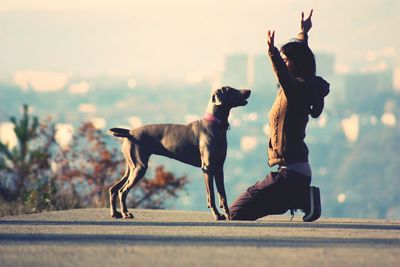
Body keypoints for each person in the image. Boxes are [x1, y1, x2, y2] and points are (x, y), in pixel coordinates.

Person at [229, 10, 330, 221]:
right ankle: (300, 198)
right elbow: (299, 58)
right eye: (282, 59)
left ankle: (301, 198)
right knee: (245, 211)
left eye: (287, 60)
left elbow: (284, 74)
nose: (284, 63)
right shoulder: (300, 87)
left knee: (236, 212)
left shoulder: (296, 89)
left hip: (289, 174)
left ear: (297, 64)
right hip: (294, 171)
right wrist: (303, 32)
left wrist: (273, 53)